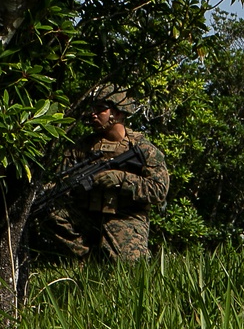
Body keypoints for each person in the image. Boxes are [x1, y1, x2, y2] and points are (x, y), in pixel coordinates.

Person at [44, 84, 170, 261]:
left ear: (118, 113)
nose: (93, 114)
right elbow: (61, 180)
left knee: (128, 266)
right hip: (87, 214)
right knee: (48, 210)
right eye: (93, 109)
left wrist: (122, 179)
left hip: (124, 217)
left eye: (101, 109)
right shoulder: (82, 147)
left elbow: (159, 190)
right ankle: (85, 260)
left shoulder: (142, 149)